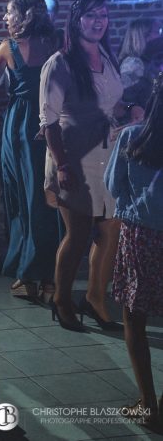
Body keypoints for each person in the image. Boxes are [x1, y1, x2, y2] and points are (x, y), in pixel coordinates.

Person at [40, 0, 124, 331]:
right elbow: (47, 120)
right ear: (76, 22)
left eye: (103, 15)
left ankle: (95, 298)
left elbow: (111, 104)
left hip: (109, 156)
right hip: (74, 158)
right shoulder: (59, 63)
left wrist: (128, 109)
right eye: (91, 16)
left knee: (111, 231)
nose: (98, 21)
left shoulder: (107, 55)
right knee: (78, 235)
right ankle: (61, 300)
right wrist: (62, 165)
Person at [0, 0, 61, 302]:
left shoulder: (7, 48)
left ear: (23, 16)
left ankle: (26, 276)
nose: (5, 18)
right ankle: (52, 280)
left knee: (22, 199)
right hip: (52, 121)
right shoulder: (57, 43)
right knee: (49, 196)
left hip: (21, 125)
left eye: (8, 12)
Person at [107, 73, 163, 431]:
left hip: (141, 234)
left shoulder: (132, 136)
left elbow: (113, 185)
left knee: (135, 318)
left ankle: (149, 403)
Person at [118, 16, 161, 113]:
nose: (161, 36)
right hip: (140, 124)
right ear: (144, 36)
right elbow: (124, 100)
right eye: (157, 32)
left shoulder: (148, 61)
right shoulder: (133, 64)